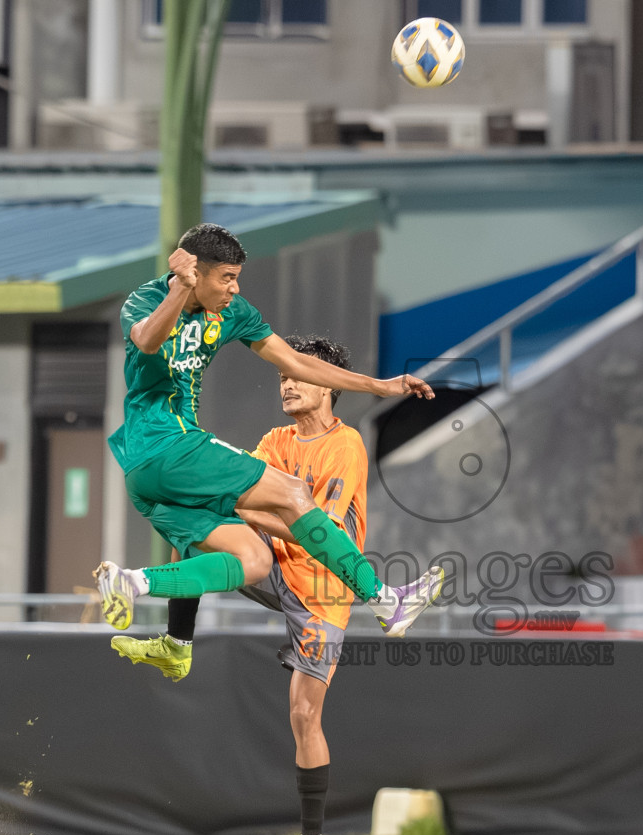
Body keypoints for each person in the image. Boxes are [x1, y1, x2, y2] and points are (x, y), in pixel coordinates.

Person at [92, 223, 443, 639]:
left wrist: (379, 385)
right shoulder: (146, 299)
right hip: (165, 444)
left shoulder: (232, 313)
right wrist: (179, 290)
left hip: (152, 475)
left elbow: (297, 363)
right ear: (195, 273)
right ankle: (385, 600)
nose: (234, 289)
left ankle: (136, 588)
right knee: (294, 493)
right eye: (226, 278)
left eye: (236, 278)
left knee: (253, 559)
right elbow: (148, 342)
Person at [117, 335, 368, 835]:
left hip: (323, 588)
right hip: (276, 563)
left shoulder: (345, 445)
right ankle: (177, 645)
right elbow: (238, 497)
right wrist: (256, 511)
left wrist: (265, 511)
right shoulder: (275, 440)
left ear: (330, 385)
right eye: (283, 374)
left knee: (304, 716)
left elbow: (319, 531)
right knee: (201, 529)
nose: (287, 381)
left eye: (299, 373)